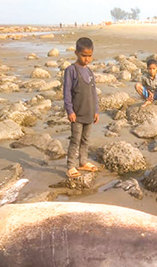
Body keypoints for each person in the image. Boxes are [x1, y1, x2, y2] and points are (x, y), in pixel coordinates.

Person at [63, 37, 99, 178]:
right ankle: (70, 165)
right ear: (76, 53)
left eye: (89, 56)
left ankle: (83, 162)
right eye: (84, 56)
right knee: (75, 140)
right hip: (77, 114)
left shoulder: (90, 72)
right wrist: (69, 110)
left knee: (85, 140)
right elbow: (66, 92)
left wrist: (96, 110)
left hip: (89, 113)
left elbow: (94, 92)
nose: (87, 59)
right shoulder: (71, 70)